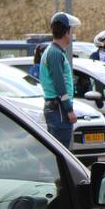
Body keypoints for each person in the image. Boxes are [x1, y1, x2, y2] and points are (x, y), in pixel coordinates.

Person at [39, 12, 81, 148]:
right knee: (61, 150)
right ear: (66, 32)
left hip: (57, 109)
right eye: (71, 31)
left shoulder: (54, 52)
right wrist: (69, 109)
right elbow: (59, 84)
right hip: (59, 111)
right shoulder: (55, 54)